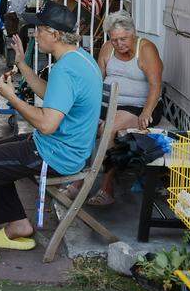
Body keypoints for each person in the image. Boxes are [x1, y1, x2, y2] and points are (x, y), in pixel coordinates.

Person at [0, 1, 102, 265]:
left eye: (38, 29)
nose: (35, 34)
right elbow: (51, 97)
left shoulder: (65, 69)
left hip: (56, 155)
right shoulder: (80, 59)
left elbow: (47, 124)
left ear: (54, 34)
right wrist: (22, 64)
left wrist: (12, 98)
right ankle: (18, 225)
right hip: (62, 147)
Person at [69, 11, 164, 206]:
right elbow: (96, 82)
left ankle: (105, 187)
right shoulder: (107, 49)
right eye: (114, 40)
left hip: (140, 106)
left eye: (124, 38)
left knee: (109, 129)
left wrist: (146, 112)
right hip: (108, 103)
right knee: (83, 124)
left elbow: (156, 86)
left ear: (133, 34)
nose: (119, 44)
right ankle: (79, 176)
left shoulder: (145, 49)